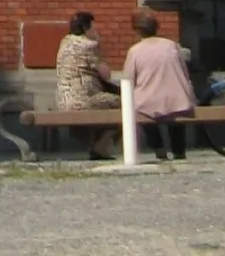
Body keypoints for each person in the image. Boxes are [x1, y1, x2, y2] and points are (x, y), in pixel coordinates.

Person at [121, 8, 198, 161]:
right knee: (177, 113)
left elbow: (128, 80)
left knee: (141, 110)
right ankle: (179, 149)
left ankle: (158, 147)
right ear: (156, 27)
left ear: (137, 30)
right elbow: (184, 72)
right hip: (177, 99)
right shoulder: (172, 45)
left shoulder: (135, 51)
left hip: (149, 102)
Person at [54, 8, 120, 157]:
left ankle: (94, 146)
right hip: (84, 100)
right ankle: (101, 145)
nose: (95, 31)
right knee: (126, 104)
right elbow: (106, 75)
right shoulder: (89, 45)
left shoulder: (64, 42)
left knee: (104, 103)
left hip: (63, 100)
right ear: (85, 28)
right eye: (93, 28)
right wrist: (98, 43)